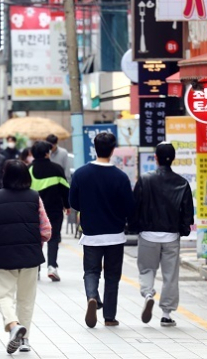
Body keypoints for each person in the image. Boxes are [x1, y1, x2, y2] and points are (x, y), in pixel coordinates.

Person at [0, 160, 52, 354]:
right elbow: (46, 230)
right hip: (30, 256)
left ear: (6, 176)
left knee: (4, 295)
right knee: (26, 299)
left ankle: (13, 326)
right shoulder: (34, 197)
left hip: (3, 255)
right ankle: (25, 339)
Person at [69, 132, 134, 328]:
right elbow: (129, 207)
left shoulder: (80, 174)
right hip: (115, 235)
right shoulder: (121, 177)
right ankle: (109, 317)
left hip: (91, 235)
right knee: (112, 276)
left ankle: (92, 296)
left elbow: (73, 202)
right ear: (113, 150)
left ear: (94, 148)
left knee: (91, 271)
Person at [131, 142, 194, 328]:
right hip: (171, 236)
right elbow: (187, 212)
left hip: (148, 235)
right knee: (170, 275)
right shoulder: (182, 183)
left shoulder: (145, 179)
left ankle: (148, 294)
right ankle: (166, 314)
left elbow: (136, 207)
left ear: (156, 158)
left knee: (146, 269)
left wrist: (135, 227)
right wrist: (182, 230)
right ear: (173, 159)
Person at [30, 140, 70, 282]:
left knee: (36, 239)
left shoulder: (29, 169)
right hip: (54, 210)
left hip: (34, 210)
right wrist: (67, 205)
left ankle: (36, 268)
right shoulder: (57, 169)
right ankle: (52, 267)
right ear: (47, 153)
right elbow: (65, 189)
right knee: (53, 238)